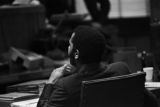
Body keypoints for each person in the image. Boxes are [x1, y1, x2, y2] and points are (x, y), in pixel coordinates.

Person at [37, 25, 158, 107]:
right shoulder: (121, 69)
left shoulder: (66, 86)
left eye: (70, 45)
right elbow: (152, 103)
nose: (68, 48)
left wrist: (51, 81)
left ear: (76, 54)